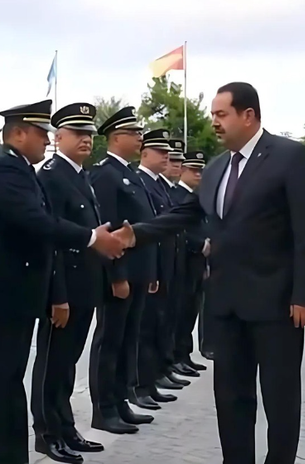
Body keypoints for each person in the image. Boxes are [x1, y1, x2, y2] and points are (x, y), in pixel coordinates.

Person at [114, 82, 305, 464]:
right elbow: (187, 214)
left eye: (221, 114)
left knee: (279, 398)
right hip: (225, 306)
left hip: (277, 304)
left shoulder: (289, 157)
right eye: (212, 114)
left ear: (248, 115)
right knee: (230, 397)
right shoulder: (216, 168)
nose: (214, 122)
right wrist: (134, 235)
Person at [0, 99, 128, 464]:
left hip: (15, 298)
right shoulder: (4, 170)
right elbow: (37, 223)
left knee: (8, 386)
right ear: (18, 133)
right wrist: (91, 238)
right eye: (41, 133)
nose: (47, 140)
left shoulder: (20, 168)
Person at [30, 102, 105, 463]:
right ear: (58, 138)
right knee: (52, 362)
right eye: (78, 133)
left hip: (85, 285)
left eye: (89, 133)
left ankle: (65, 426)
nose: (86, 139)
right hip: (64, 288)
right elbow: (52, 240)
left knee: (68, 362)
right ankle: (46, 432)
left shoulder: (80, 175)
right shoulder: (51, 176)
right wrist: (56, 294)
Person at [87, 106, 156, 434]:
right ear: (116, 137)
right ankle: (104, 409)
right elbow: (108, 231)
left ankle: (120, 400)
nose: (140, 138)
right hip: (122, 274)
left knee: (128, 339)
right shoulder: (106, 175)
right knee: (110, 341)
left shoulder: (130, 174)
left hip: (139, 271)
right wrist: (117, 275)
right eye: (134, 133)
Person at [131, 130, 190, 407]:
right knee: (146, 328)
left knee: (161, 323)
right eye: (160, 152)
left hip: (166, 265)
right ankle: (142, 383)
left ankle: (154, 376)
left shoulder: (160, 185)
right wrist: (153, 270)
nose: (167, 157)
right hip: (148, 267)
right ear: (144, 154)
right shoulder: (141, 181)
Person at [161, 139, 200, 378]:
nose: (173, 165)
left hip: (189, 260)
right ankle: (169, 361)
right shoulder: (174, 193)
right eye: (172, 160)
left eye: (177, 160)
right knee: (171, 316)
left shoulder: (184, 193)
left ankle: (180, 356)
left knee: (186, 313)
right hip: (180, 258)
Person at [169, 151, 209, 372]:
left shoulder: (197, 195)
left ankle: (184, 354)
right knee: (180, 311)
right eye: (194, 170)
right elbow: (180, 228)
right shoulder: (177, 195)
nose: (198, 175)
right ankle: (175, 357)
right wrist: (200, 244)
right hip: (184, 258)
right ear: (183, 170)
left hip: (197, 261)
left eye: (201, 171)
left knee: (191, 310)